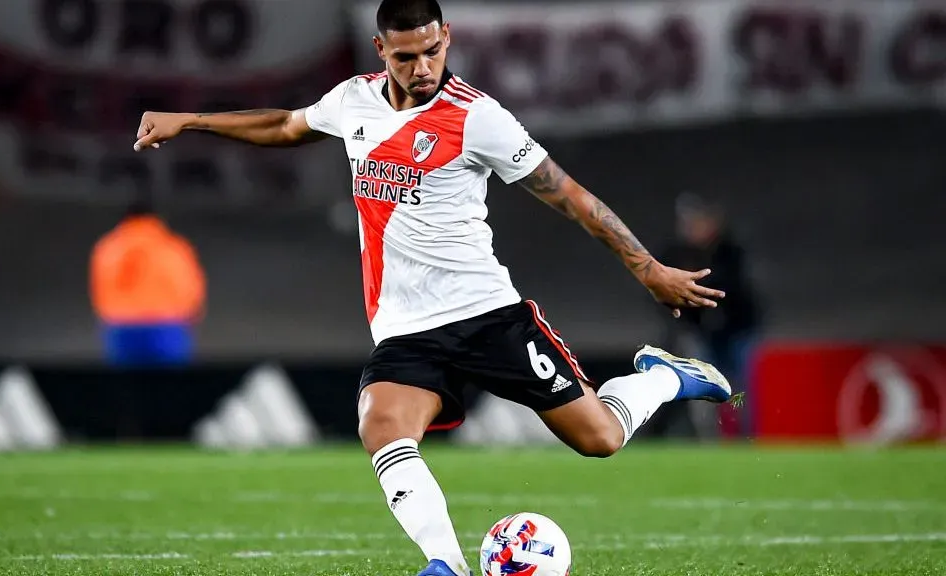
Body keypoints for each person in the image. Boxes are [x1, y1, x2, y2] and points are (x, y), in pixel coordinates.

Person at [132, 1, 732, 574]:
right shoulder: (353, 100)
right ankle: (446, 563)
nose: (422, 67)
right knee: (381, 423)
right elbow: (287, 125)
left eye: (431, 51)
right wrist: (191, 121)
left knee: (599, 438)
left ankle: (662, 376)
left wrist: (647, 267)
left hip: (488, 315)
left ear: (446, 38)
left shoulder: (478, 118)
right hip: (405, 328)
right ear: (380, 49)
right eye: (406, 56)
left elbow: (570, 196)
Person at [658, 192, 762, 436]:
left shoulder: (729, 252)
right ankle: (711, 436)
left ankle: (746, 434)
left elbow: (734, 290)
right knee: (705, 384)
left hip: (737, 329)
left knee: (741, 385)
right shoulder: (677, 254)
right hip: (702, 331)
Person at [90, 199, 206, 367]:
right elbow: (187, 285)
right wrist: (193, 313)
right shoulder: (173, 246)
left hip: (121, 325)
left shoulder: (108, 247)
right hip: (166, 325)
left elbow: (100, 287)